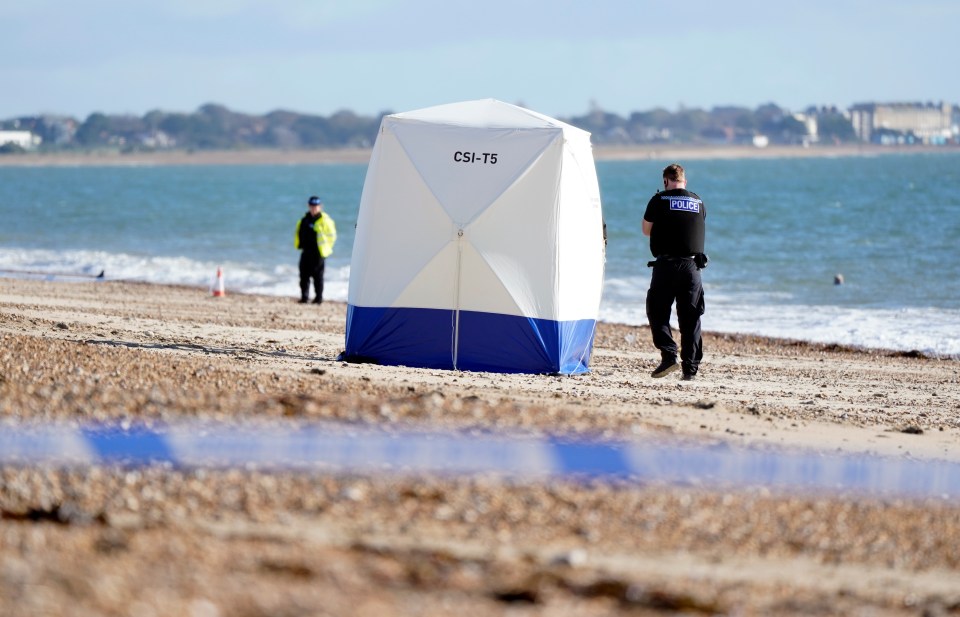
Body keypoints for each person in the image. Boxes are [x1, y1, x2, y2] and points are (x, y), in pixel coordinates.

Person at [642, 163, 707, 380]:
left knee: (657, 311)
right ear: (684, 181)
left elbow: (645, 231)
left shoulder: (659, 200)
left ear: (666, 181)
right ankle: (690, 370)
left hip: (666, 266)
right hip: (692, 268)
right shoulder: (698, 201)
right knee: (691, 319)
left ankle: (669, 354)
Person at [294, 196, 337, 304]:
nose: (314, 208)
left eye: (316, 206)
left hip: (319, 253)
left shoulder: (325, 221)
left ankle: (318, 298)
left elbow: (332, 236)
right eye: (312, 206)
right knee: (304, 276)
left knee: (318, 277)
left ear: (320, 206)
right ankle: (304, 297)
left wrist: (326, 248)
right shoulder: (304, 220)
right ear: (309, 206)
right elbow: (298, 233)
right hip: (306, 252)